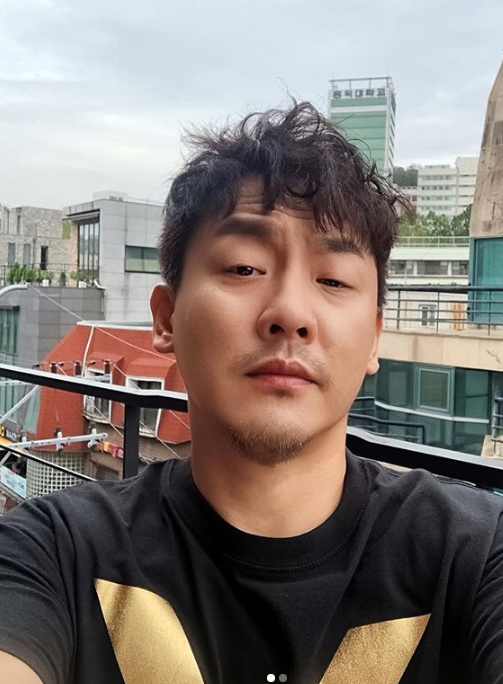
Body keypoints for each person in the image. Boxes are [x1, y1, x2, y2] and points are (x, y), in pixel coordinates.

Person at [0, 102, 503, 684]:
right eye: (244, 268)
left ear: (373, 339)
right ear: (166, 318)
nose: (291, 313)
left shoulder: (476, 554)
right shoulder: (52, 553)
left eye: (333, 279)